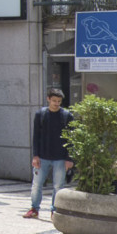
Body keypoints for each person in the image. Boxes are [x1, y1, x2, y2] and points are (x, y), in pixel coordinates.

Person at [26, 88, 74, 219]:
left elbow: (71, 139)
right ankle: (34, 209)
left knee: (58, 186)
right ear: (48, 99)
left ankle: (55, 211)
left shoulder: (67, 116)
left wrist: (69, 158)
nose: (56, 103)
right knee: (37, 184)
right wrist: (35, 155)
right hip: (42, 156)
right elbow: (36, 136)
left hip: (60, 157)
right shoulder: (40, 114)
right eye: (54, 101)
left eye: (59, 101)